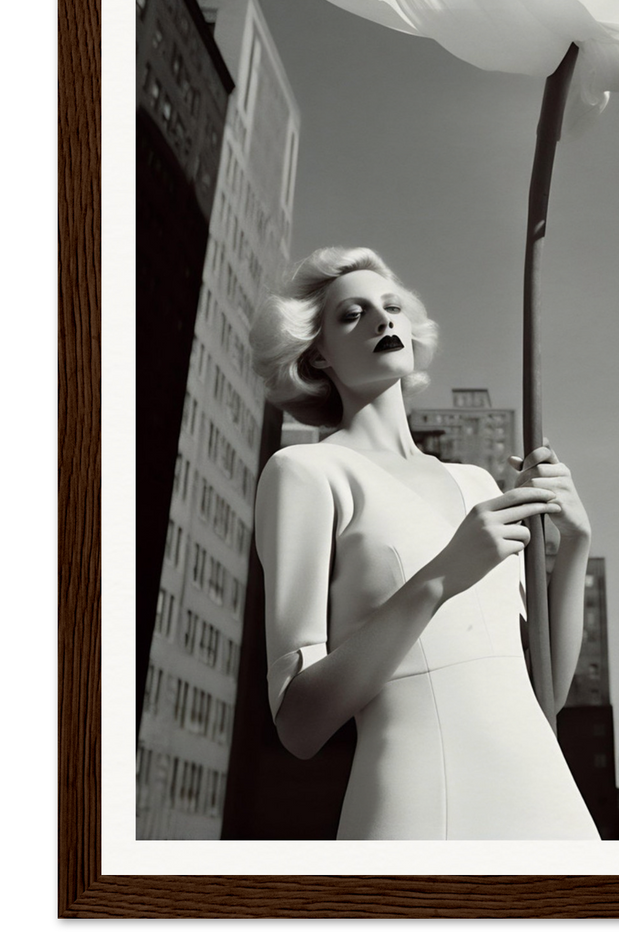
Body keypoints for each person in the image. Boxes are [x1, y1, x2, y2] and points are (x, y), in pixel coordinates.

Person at [249, 245, 600, 840]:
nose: (383, 320)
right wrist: (441, 578)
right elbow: (298, 724)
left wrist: (575, 544)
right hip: (422, 805)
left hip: (549, 801)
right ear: (318, 355)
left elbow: (546, 694)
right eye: (351, 314)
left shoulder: (477, 484)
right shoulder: (305, 473)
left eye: (391, 307)